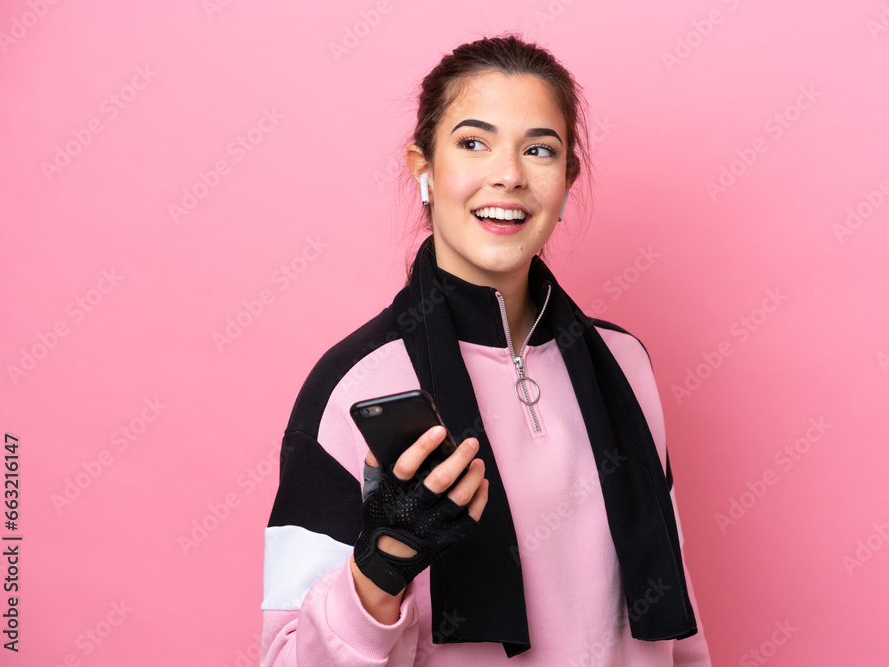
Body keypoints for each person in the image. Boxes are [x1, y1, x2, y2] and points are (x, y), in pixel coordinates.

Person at [260, 33, 712, 666]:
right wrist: (380, 567)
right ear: (423, 167)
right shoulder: (355, 385)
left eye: (539, 149)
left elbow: (679, 630)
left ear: (568, 179)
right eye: (474, 143)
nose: (509, 175)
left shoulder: (625, 365)